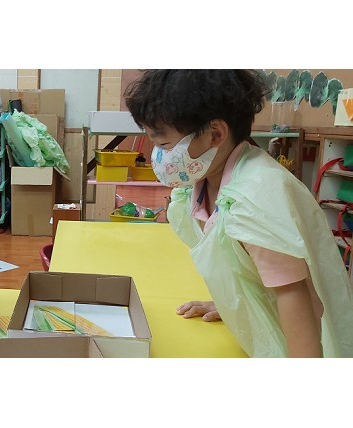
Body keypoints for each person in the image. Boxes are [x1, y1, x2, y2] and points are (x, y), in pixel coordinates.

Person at [124, 69, 353, 358]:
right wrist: (233, 304)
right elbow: (239, 261)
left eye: (164, 145)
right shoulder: (202, 182)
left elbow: (293, 293)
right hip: (262, 331)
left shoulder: (256, 196)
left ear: (215, 134)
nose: (159, 156)